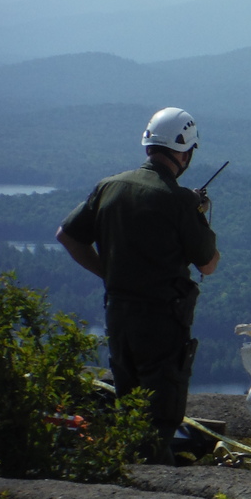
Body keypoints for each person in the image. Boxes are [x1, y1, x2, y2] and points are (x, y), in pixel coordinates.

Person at [55, 107, 221, 464]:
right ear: (185, 152)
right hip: (162, 323)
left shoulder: (109, 186)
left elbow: (67, 236)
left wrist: (110, 273)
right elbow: (209, 263)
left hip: (118, 315)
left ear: (148, 146)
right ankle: (154, 495)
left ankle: (122, 472)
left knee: (127, 406)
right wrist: (198, 215)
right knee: (159, 418)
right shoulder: (179, 202)